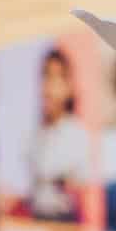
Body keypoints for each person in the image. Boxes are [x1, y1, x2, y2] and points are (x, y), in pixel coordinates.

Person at [25, 47, 90, 221]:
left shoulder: (76, 134)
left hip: (65, 224)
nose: (48, 86)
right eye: (45, 76)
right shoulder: (35, 134)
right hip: (38, 222)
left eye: (57, 78)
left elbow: (76, 184)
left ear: (69, 86)